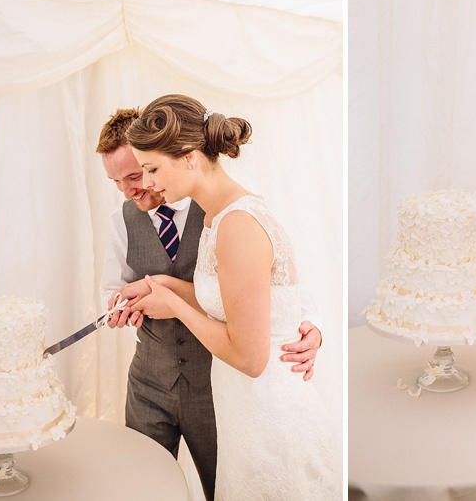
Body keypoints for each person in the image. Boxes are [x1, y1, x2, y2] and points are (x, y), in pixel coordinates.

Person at [117, 95, 341, 499]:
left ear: (188, 156)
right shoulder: (217, 216)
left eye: (151, 168)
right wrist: (163, 286)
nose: (146, 182)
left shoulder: (237, 224)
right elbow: (226, 300)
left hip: (269, 417)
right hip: (243, 413)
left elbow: (251, 359)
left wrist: (176, 308)